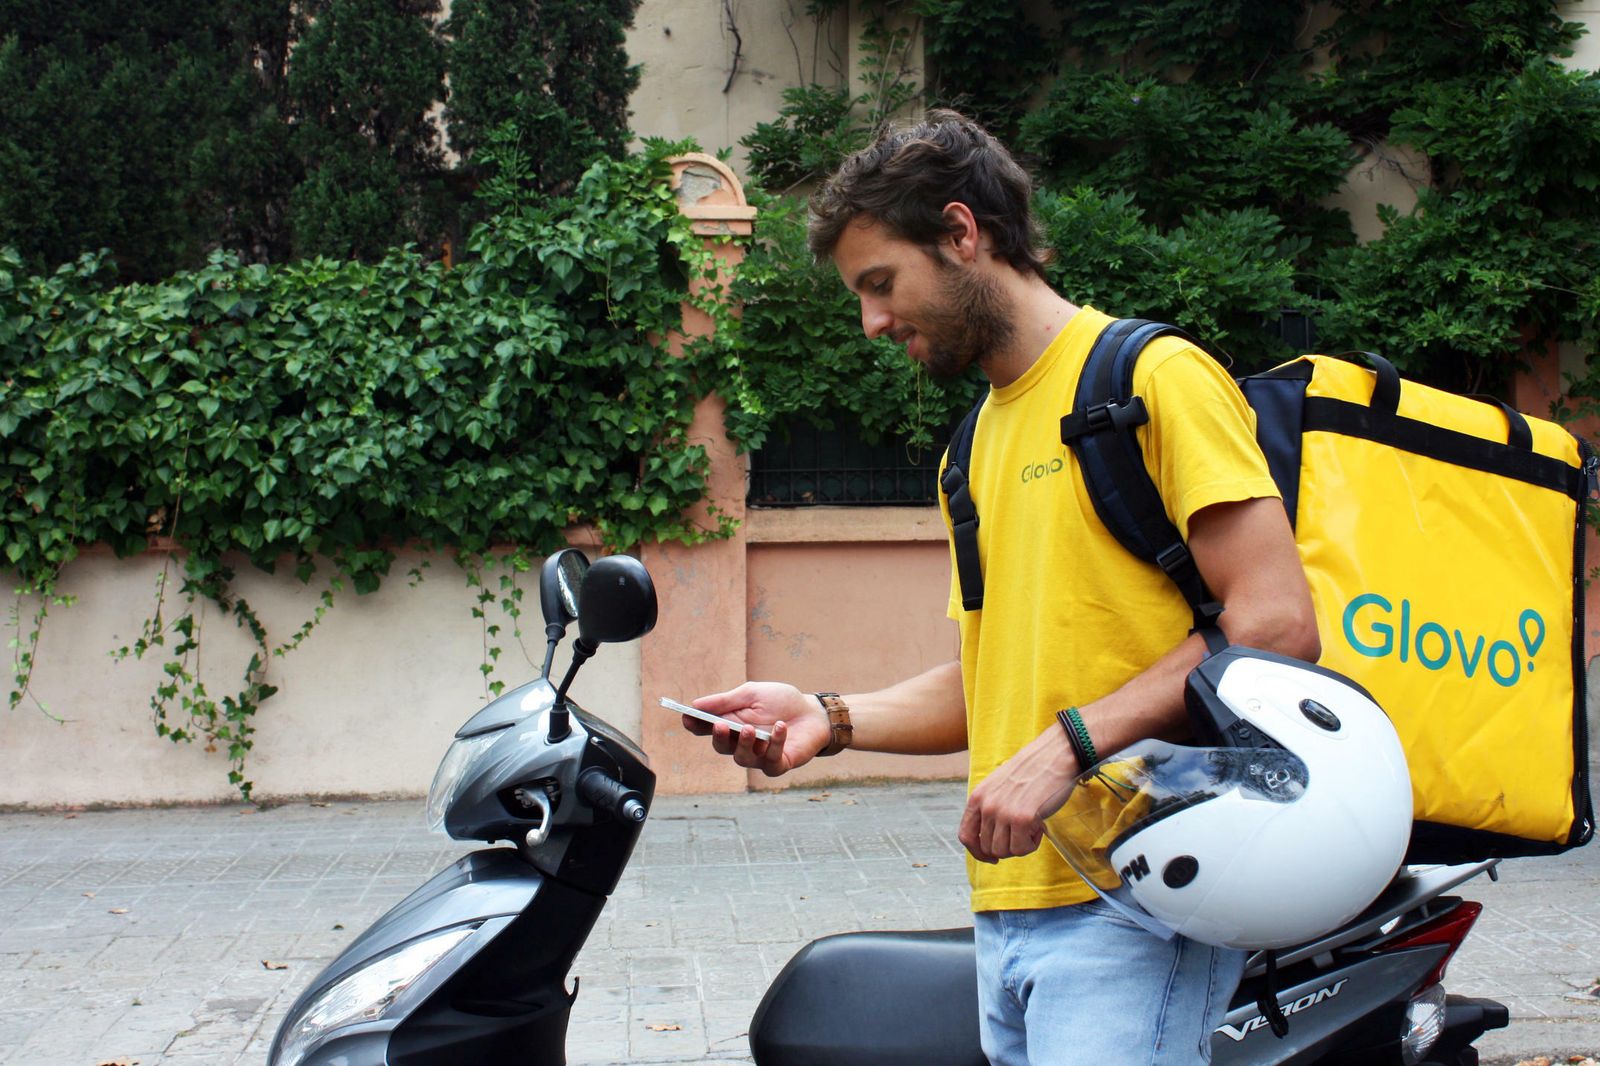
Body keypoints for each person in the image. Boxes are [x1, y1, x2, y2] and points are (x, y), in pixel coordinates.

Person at [680, 110, 1320, 1065]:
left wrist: (1069, 745)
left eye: (880, 283)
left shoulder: (1151, 379)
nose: (872, 322)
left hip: (1144, 890)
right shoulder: (972, 447)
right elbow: (992, 680)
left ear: (960, 232)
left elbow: (1277, 626)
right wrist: (827, 716)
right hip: (1013, 903)